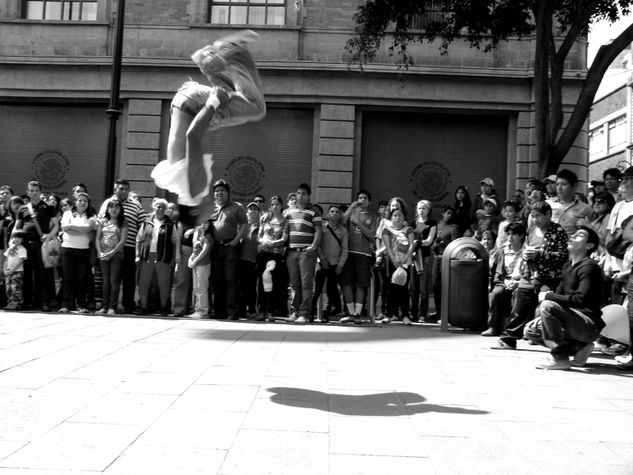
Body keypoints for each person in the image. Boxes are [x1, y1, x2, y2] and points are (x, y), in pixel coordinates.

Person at [152, 30, 266, 208]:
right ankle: (207, 61)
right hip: (186, 106)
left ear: (195, 213)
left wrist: (213, 102)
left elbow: (193, 136)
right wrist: (214, 117)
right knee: (239, 116)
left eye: (204, 219)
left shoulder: (195, 191)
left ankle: (231, 50)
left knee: (255, 108)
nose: (211, 214)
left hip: (193, 105)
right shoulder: (183, 191)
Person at [492, 201, 569, 350]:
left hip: (549, 277)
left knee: (545, 309)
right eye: (532, 216)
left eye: (538, 216)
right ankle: (509, 339)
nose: (534, 219)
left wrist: (539, 254)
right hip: (529, 275)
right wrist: (527, 255)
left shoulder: (558, 231)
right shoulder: (532, 230)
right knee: (519, 309)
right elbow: (525, 249)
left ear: (548, 214)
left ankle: (554, 342)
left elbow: (563, 256)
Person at [528, 226, 605, 370]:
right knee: (531, 330)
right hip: (572, 322)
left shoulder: (589, 267)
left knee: (547, 305)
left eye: (580, 235)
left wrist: (548, 296)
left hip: (588, 326)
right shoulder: (567, 266)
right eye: (574, 233)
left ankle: (560, 358)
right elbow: (560, 296)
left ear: (589, 245)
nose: (573, 235)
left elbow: (579, 299)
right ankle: (580, 347)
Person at [99, 179, 147, 314]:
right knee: (110, 279)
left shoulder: (136, 204)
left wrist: (140, 247)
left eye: (126, 189)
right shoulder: (107, 204)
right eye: (121, 188)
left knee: (129, 278)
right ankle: (107, 305)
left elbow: (142, 226)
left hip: (129, 246)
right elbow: (100, 223)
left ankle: (128, 306)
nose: (124, 191)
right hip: (109, 249)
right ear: (115, 189)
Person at [205, 179, 247, 320]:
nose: (219, 193)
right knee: (216, 280)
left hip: (231, 247)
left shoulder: (236, 207)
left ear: (228, 193)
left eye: (222, 190)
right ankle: (219, 311)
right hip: (215, 248)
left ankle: (232, 312)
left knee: (231, 280)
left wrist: (235, 241)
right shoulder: (211, 208)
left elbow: (244, 225)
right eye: (216, 191)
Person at [14, 181, 59, 311]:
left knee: (43, 274)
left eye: (36, 190)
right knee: (27, 274)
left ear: (40, 192)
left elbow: (56, 225)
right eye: (31, 190)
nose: (34, 192)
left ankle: (43, 302)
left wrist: (49, 235)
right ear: (27, 192)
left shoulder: (48, 207)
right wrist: (14, 241)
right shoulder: (22, 208)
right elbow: (17, 227)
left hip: (42, 244)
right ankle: (26, 301)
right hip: (26, 245)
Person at [481, 223, 527, 336]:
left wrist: (518, 282)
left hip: (520, 282)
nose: (510, 237)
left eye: (513, 234)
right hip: (505, 282)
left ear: (521, 236)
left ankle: (516, 329)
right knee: (495, 294)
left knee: (520, 294)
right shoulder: (502, 251)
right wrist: (503, 282)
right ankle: (493, 327)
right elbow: (497, 272)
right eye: (508, 234)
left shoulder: (526, 252)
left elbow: (528, 272)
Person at [285, 183, 322, 324]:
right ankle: (294, 312)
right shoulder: (288, 211)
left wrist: (313, 247)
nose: (300, 196)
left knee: (306, 284)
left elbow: (318, 231)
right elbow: (285, 231)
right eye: (298, 193)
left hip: (306, 252)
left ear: (308, 196)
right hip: (291, 253)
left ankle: (304, 313)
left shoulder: (314, 211)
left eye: (304, 194)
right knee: (294, 284)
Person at [136, 198, 179, 316]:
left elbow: (174, 241)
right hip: (146, 256)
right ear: (153, 207)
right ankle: (143, 307)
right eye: (158, 206)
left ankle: (164, 308)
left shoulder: (170, 224)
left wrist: (173, 258)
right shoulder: (146, 222)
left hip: (163, 257)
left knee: (163, 283)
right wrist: (137, 255)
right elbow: (139, 239)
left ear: (166, 210)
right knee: (143, 282)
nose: (160, 209)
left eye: (163, 207)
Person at [341, 190, 377, 323]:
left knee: (361, 285)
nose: (362, 200)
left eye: (365, 198)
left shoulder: (372, 217)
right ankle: (350, 313)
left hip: (364, 254)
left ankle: (357, 314)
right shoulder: (351, 213)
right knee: (346, 284)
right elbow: (341, 222)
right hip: (348, 253)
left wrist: (358, 223)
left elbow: (372, 235)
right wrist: (351, 208)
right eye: (360, 197)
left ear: (369, 201)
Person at [59, 192, 98, 314]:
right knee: (67, 278)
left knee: (82, 278)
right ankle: (66, 305)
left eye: (85, 201)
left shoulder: (92, 216)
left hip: (84, 251)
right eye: (80, 200)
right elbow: (65, 229)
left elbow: (88, 229)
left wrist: (72, 227)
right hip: (67, 249)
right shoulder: (67, 213)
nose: (82, 203)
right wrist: (82, 230)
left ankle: (81, 304)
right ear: (75, 202)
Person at [257, 195, 289, 320]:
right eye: (272, 204)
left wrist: (272, 243)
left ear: (281, 206)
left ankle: (271, 311)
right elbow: (259, 236)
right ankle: (261, 310)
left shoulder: (285, 221)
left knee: (273, 283)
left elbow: (285, 239)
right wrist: (263, 241)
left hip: (276, 255)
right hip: (263, 253)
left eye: (277, 204)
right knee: (262, 283)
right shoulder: (265, 219)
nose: (275, 207)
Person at [314, 204, 348, 322]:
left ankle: (326, 312)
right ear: (327, 215)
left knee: (331, 289)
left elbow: (345, 250)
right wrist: (322, 259)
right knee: (317, 288)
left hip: (335, 264)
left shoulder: (343, 231)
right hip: (322, 262)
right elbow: (317, 245)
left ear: (340, 215)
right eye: (332, 211)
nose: (335, 213)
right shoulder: (322, 228)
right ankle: (311, 311)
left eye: (337, 212)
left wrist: (340, 265)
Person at [382, 208, 415, 324]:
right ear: (391, 218)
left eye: (400, 215)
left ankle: (405, 315)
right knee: (391, 289)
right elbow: (388, 246)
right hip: (392, 262)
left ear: (403, 217)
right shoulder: (387, 230)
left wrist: (405, 259)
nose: (397, 217)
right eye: (395, 215)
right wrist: (393, 260)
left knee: (404, 290)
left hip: (406, 263)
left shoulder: (408, 230)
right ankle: (389, 314)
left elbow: (411, 245)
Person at [95, 198, 128, 316]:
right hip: (103, 255)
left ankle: (112, 307)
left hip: (116, 256)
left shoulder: (123, 222)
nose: (113, 209)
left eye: (116, 207)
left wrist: (112, 253)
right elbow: (98, 238)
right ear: (107, 209)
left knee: (114, 281)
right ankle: (104, 306)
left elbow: (123, 240)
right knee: (105, 281)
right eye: (111, 207)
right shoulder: (103, 221)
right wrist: (99, 252)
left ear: (120, 209)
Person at [411, 199, 437, 322]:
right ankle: (413, 313)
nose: (421, 210)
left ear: (428, 210)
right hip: (413, 257)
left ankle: (422, 313)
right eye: (420, 208)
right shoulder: (412, 223)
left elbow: (429, 241)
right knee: (414, 287)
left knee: (423, 287)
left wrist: (419, 242)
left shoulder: (432, 223)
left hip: (425, 257)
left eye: (424, 208)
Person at [548, 169, 592, 237]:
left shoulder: (586, 209)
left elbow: (592, 232)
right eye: (557, 184)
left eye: (564, 184)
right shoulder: (548, 204)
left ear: (574, 186)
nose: (559, 188)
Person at [238, 201, 261, 319]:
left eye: (255, 209)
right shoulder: (243, 225)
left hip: (254, 260)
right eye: (250, 209)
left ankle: (252, 310)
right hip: (242, 259)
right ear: (247, 211)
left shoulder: (261, 227)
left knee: (252, 287)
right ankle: (241, 310)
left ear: (258, 212)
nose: (252, 211)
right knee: (241, 286)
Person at [188, 222, 212, 319]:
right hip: (196, 264)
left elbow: (205, 251)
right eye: (201, 223)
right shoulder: (200, 234)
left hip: (203, 264)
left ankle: (203, 311)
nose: (203, 225)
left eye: (205, 223)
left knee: (202, 288)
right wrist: (191, 259)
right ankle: (198, 309)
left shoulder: (208, 235)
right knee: (196, 288)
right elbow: (195, 251)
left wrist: (195, 261)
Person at [3, 230, 27, 310]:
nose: (16, 239)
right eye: (15, 237)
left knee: (16, 288)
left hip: (17, 272)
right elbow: (6, 259)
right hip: (9, 271)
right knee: (8, 288)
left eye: (19, 238)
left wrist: (12, 270)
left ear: (22, 240)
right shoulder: (10, 249)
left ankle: (17, 304)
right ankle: (10, 303)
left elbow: (21, 261)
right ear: (12, 238)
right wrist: (5, 270)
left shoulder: (22, 249)